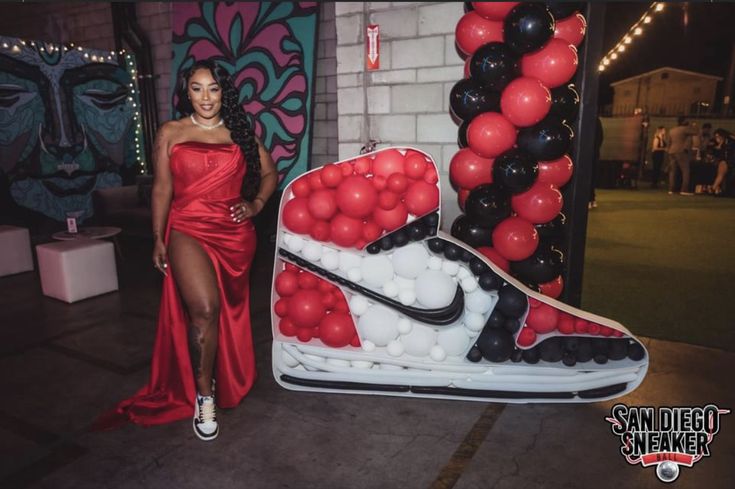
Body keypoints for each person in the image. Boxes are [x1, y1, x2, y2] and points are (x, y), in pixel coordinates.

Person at [100, 59, 277, 441]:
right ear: (186, 92)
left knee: (225, 314)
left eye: (213, 88)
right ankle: (204, 395)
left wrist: (257, 205)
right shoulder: (171, 131)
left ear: (223, 91)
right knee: (205, 309)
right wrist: (158, 236)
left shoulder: (239, 132)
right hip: (187, 227)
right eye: (196, 88)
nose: (206, 97)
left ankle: (224, 376)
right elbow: (163, 188)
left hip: (234, 235)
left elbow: (270, 173)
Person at [666, 116, 697, 195]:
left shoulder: (672, 130)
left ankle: (671, 189)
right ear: (683, 121)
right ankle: (684, 189)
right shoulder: (685, 129)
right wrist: (693, 126)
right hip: (680, 151)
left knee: (673, 171)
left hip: (671, 151)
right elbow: (696, 132)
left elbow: (669, 142)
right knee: (685, 171)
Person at [710, 128, 735, 196]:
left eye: (718, 136)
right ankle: (716, 188)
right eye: (716, 136)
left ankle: (714, 188)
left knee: (721, 174)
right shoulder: (717, 143)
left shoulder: (730, 141)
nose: (717, 138)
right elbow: (715, 151)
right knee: (721, 175)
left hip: (728, 161)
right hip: (724, 161)